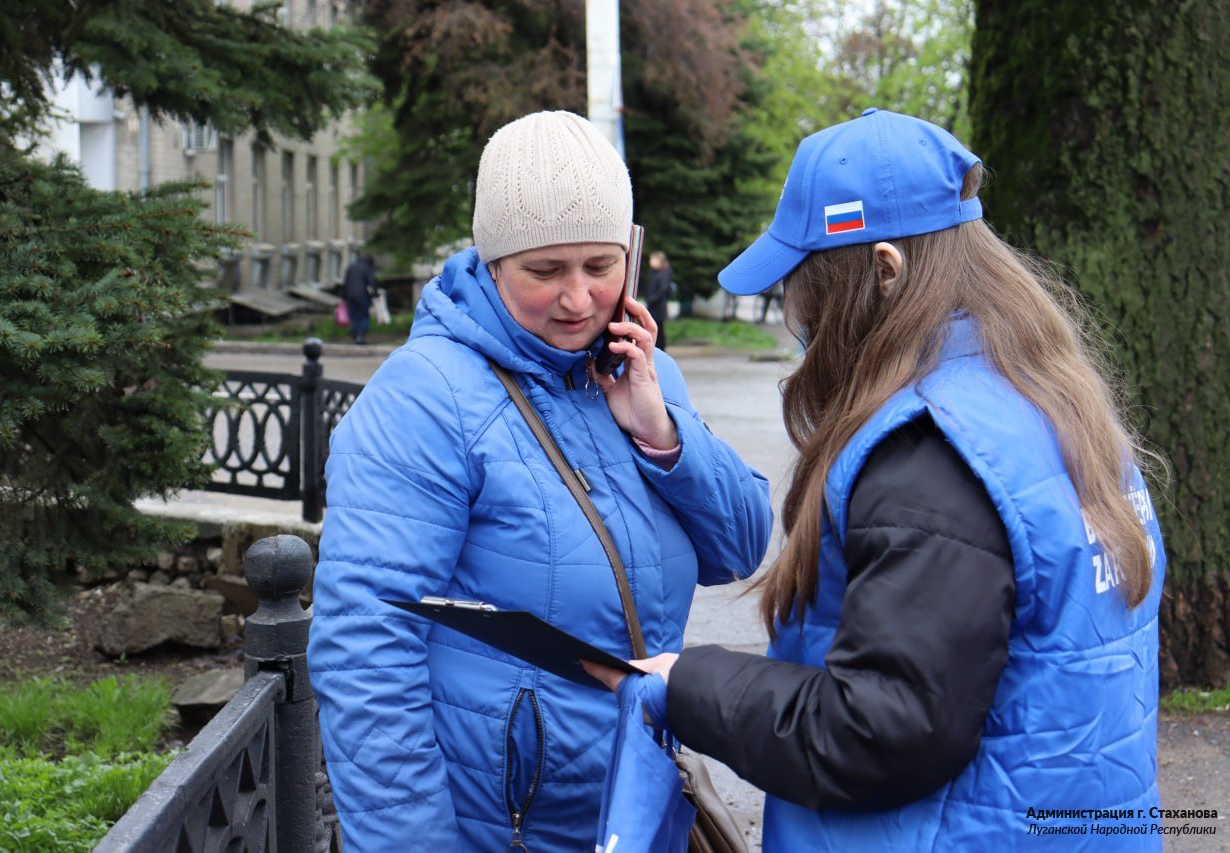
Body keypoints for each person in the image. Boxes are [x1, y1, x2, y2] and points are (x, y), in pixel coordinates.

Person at [587, 108, 1167, 849]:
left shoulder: (931, 451)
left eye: (806, 286)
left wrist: (685, 682)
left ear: (884, 270)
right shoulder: (1053, 405)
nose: (797, 314)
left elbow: (880, 725)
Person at [308, 110, 773, 850]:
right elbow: (366, 651)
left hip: (631, 809)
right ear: (491, 263)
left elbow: (743, 546)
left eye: (600, 265)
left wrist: (663, 434)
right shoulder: (425, 396)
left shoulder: (638, 369)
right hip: (506, 827)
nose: (579, 299)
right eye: (545, 270)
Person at [340, 253, 377, 344]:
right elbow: (371, 282)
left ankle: (355, 335)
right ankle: (361, 335)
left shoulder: (351, 267)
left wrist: (343, 296)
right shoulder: (366, 268)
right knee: (364, 315)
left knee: (354, 316)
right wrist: (375, 295)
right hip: (362, 295)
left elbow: (345, 282)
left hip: (349, 295)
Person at [643, 250, 673, 350]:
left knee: (658, 329)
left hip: (658, 308)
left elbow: (662, 289)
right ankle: (655, 348)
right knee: (654, 328)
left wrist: (652, 299)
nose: (651, 261)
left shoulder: (663, 274)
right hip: (653, 306)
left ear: (660, 261)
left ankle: (660, 349)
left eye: (653, 259)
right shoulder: (653, 273)